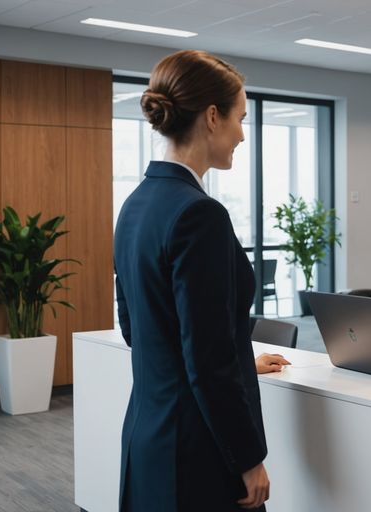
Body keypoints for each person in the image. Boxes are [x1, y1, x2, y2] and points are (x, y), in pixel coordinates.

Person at [114, 49, 287, 512]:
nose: (241, 135)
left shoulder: (135, 205)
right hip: (197, 451)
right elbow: (206, 359)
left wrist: (239, 360)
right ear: (212, 117)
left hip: (147, 437)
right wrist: (248, 459)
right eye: (239, 118)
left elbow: (138, 330)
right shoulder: (199, 214)